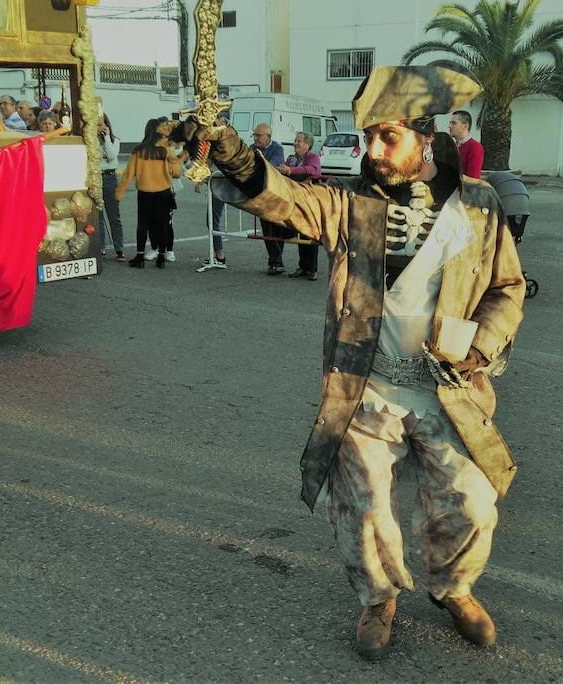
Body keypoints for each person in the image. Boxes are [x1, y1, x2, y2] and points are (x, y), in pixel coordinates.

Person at [175, 64, 525, 659]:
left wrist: (483, 345)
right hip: (367, 387)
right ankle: (378, 596)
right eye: (368, 138)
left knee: (470, 504)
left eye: (388, 137)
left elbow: (507, 287)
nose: (374, 150)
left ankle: (452, 588)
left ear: (425, 134)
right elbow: (284, 199)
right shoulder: (351, 204)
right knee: (361, 510)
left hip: (450, 388)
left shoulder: (480, 205)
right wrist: (232, 154)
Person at [116, 118, 182, 268]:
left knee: (143, 224)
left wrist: (120, 192)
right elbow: (176, 173)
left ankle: (139, 257)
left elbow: (128, 174)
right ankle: (161, 257)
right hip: (163, 192)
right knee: (162, 225)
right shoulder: (165, 150)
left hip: (144, 193)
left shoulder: (139, 151)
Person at [278, 132, 322, 281]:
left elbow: (314, 170)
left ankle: (312, 269)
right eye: (295, 141)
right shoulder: (291, 158)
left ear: (308, 145)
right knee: (300, 233)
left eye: (299, 141)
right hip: (294, 201)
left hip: (309, 201)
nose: (296, 143)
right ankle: (302, 267)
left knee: (310, 234)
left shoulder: (313, 157)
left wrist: (291, 171)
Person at [251, 123, 286, 274]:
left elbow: (271, 167)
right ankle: (275, 262)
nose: (256, 138)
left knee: (277, 230)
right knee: (266, 230)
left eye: (259, 135)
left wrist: (257, 164)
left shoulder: (277, 149)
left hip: (275, 195)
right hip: (260, 196)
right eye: (254, 135)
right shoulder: (252, 148)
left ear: (269, 137)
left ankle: (276, 262)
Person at [98, 113, 125, 261]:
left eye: (101, 124)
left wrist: (107, 137)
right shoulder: (91, 141)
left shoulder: (115, 140)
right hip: (95, 177)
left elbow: (111, 155)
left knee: (114, 215)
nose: (99, 127)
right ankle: (100, 247)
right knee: (98, 217)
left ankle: (119, 248)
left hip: (109, 177)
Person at [449, 109, 484, 178]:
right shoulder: (453, 146)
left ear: (465, 126)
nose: (449, 126)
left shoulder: (475, 147)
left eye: (453, 123)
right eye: (450, 123)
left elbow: (473, 178)